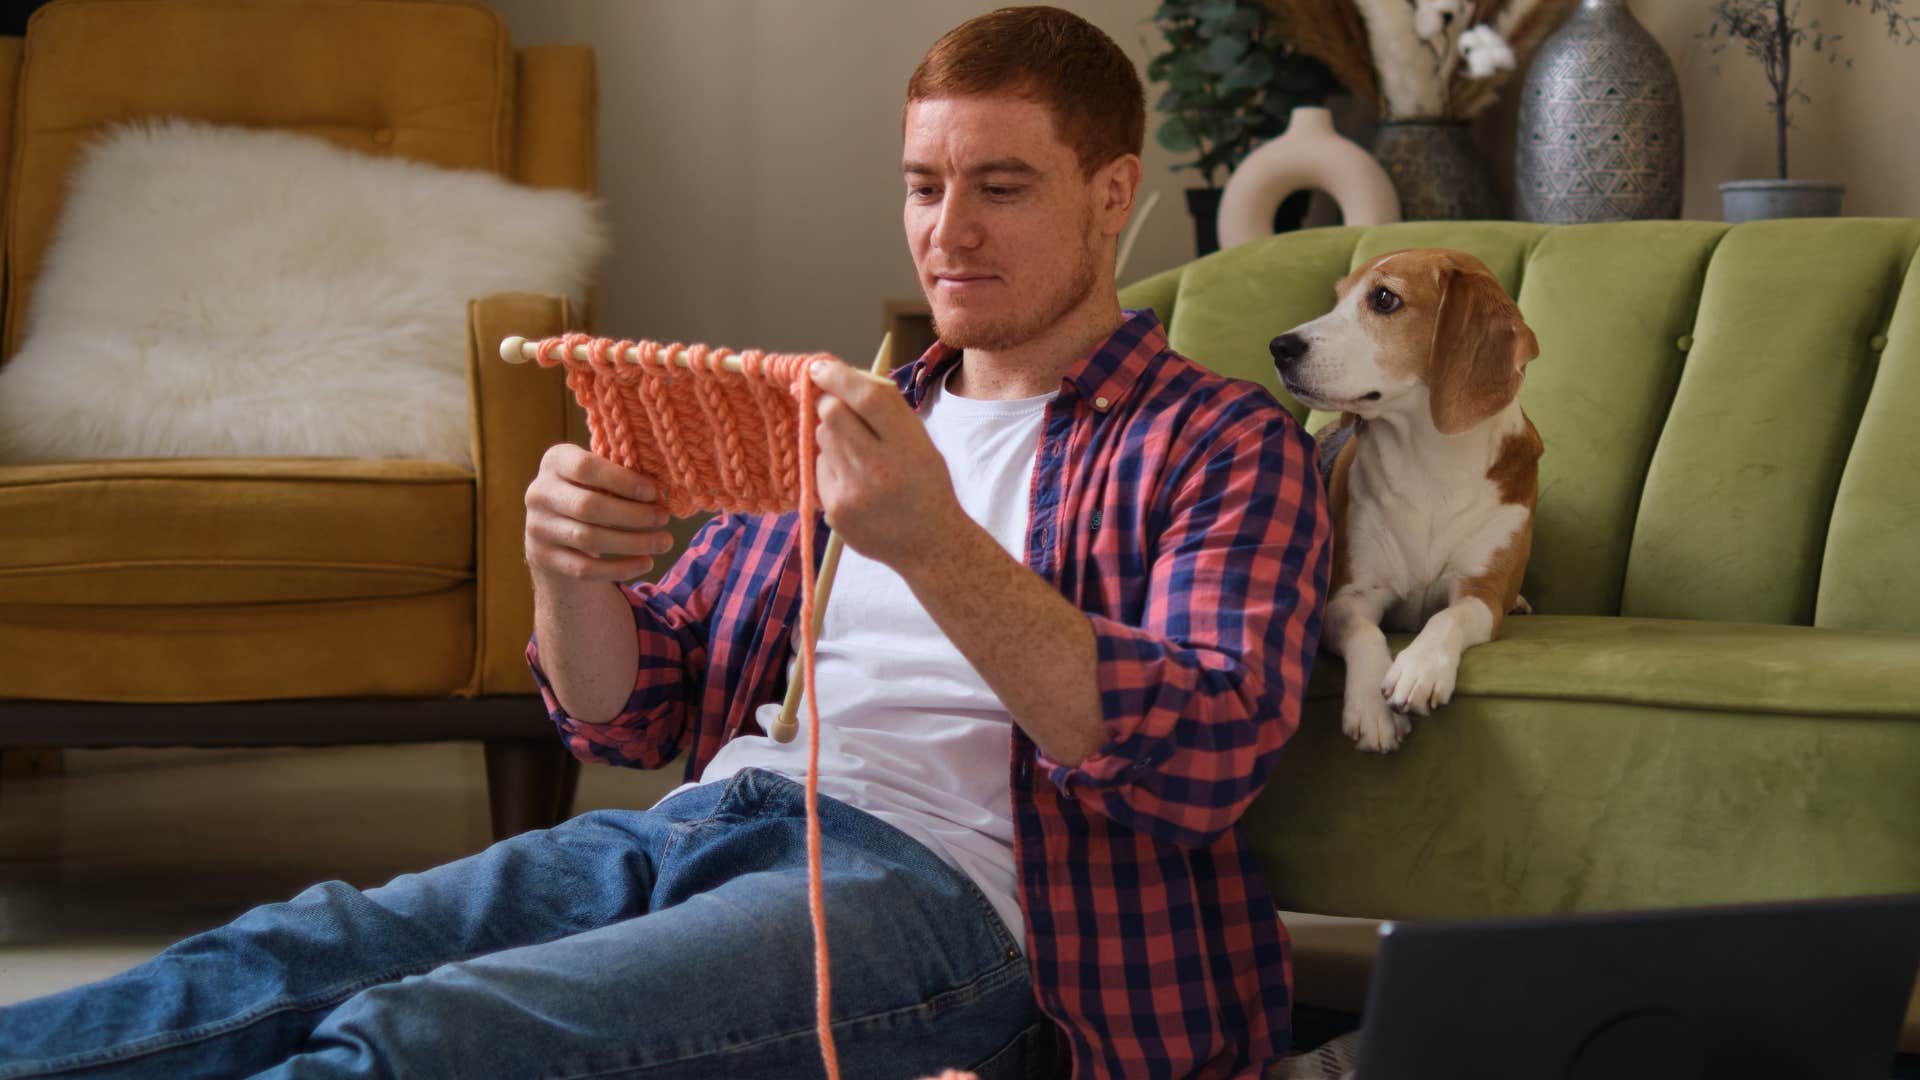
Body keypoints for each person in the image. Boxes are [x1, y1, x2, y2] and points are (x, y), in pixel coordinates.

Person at [0, 7, 1329, 1078]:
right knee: (279, 958)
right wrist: (569, 570)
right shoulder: (852, 412)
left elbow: (1198, 761)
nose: (947, 232)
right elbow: (632, 709)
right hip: (710, 823)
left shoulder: (1218, 446)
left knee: (427, 1039)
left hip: (947, 904)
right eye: (922, 185)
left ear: (1113, 194)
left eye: (1002, 186)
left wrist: (933, 545)